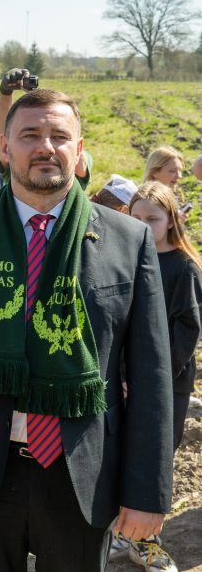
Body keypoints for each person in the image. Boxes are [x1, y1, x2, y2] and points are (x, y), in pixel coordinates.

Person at [0, 88, 174, 572]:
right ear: (4, 147)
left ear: (79, 150)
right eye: (30, 135)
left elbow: (152, 375)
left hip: (84, 472)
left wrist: (147, 490)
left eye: (59, 136)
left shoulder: (129, 240)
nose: (45, 147)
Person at [117, 181, 202, 572]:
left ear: (171, 221)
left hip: (167, 383)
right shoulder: (121, 257)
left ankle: (146, 541)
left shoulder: (184, 267)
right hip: (120, 379)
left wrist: (154, 378)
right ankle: (119, 533)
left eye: (153, 219)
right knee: (118, 454)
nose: (144, 226)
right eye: (137, 218)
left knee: (153, 457)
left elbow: (187, 329)